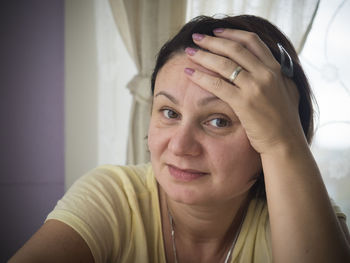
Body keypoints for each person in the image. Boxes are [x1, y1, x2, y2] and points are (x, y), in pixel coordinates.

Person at [9, 15, 350, 263]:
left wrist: (283, 143)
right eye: (169, 113)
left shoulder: (302, 215)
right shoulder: (114, 198)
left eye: (218, 121)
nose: (180, 146)